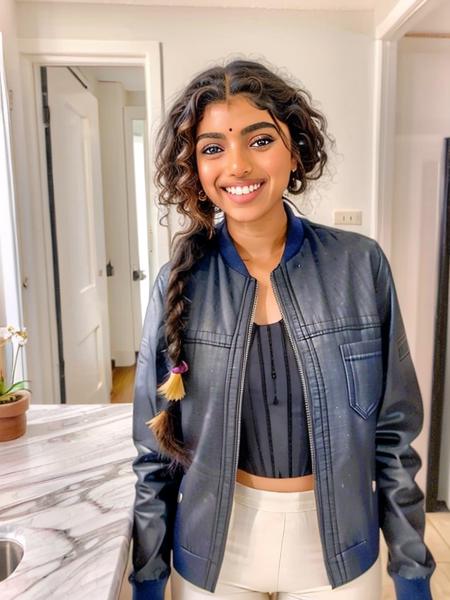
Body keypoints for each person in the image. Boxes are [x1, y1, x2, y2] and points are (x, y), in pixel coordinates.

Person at [128, 59, 435, 600]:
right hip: (213, 552)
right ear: (195, 169)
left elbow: (394, 436)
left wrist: (411, 573)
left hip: (340, 548)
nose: (238, 165)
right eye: (212, 148)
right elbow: (154, 454)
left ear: (295, 150)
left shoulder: (360, 266)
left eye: (260, 139)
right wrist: (150, 580)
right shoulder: (178, 282)